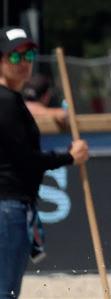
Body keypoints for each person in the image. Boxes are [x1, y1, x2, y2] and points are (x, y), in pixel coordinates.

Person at [0, 29, 87, 297]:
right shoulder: (5, 101)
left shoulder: (12, 100)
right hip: (7, 206)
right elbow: (25, 160)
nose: (24, 63)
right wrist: (69, 156)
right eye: (15, 56)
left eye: (29, 56)